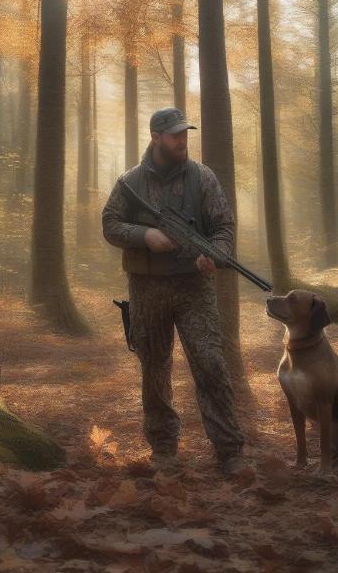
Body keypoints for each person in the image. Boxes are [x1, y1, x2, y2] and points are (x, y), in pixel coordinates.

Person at [101, 107, 245, 475]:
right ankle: (163, 447)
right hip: (147, 289)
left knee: (211, 363)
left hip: (194, 287)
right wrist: (144, 236)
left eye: (185, 133)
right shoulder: (130, 183)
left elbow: (224, 226)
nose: (183, 140)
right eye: (175, 134)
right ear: (156, 137)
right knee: (154, 367)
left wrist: (217, 254)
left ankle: (230, 451)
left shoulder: (203, 178)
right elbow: (110, 224)